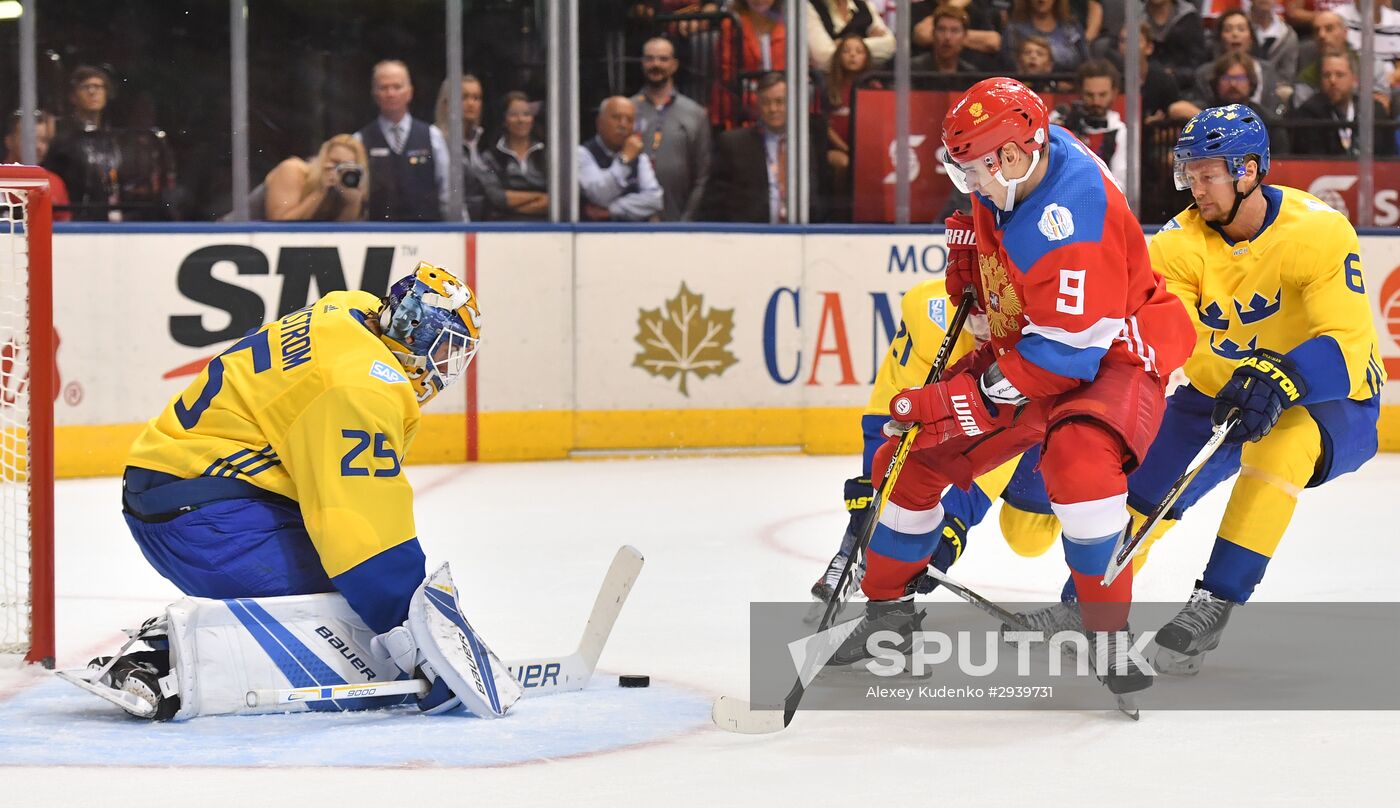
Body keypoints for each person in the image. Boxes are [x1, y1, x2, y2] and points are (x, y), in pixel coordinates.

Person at [832, 77, 1195, 699]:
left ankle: (1105, 632)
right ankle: (887, 613)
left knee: (1079, 465)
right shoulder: (1025, 153)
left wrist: (958, 399)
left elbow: (1063, 362)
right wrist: (977, 253)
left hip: (1109, 354)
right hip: (1035, 340)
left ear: (1010, 156)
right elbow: (1008, 264)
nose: (967, 185)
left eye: (972, 172)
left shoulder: (1073, 224)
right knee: (910, 459)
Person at [108, 262, 490, 718]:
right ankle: (163, 655)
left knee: (365, 598)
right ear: (412, 328)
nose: (445, 367)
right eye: (444, 348)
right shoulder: (360, 385)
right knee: (351, 617)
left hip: (177, 489)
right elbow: (363, 531)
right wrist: (423, 642)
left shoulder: (351, 311)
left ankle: (184, 640)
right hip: (207, 520)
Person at [1122, 105, 1383, 675]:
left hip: (1330, 399)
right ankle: (1088, 601)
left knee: (1280, 444)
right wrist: (1247, 383)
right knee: (1142, 487)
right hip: (1223, 391)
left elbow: (1349, 345)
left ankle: (1215, 599)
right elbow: (1182, 342)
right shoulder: (1172, 246)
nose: (1195, 186)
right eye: (1187, 173)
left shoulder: (1319, 230)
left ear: (1249, 170)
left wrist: (1278, 378)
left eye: (1207, 173)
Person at [809, 277, 1063, 612]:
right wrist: (873, 490)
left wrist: (955, 522)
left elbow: (1001, 443)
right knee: (910, 480)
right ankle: (860, 568)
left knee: (1027, 540)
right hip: (970, 412)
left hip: (1026, 425)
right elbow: (892, 404)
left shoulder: (1038, 330)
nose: (986, 329)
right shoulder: (927, 315)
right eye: (979, 316)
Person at [354, 60, 449, 221]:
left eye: (397, 87)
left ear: (409, 92)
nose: (391, 93)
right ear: (374, 94)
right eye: (384, 87)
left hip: (429, 236)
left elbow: (448, 192)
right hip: (378, 237)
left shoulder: (433, 136)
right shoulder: (359, 140)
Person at [632, 37, 712, 222]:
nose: (655, 64)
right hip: (632, 221)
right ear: (643, 63)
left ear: (674, 65)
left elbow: (703, 176)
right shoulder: (627, 110)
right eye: (650, 59)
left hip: (679, 218)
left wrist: (686, 222)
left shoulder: (695, 113)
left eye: (663, 59)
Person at [43, 65, 120, 221]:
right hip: (74, 222)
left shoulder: (113, 139)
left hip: (112, 220)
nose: (93, 92)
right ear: (73, 96)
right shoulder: (62, 140)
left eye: (98, 87)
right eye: (86, 87)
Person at [1288, 52, 1397, 157]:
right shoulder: (1308, 113)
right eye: (1327, 75)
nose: (1332, 80)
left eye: (1339, 75)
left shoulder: (1373, 111)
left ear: (1354, 79)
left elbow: (1387, 157)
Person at [578, 96, 664, 222]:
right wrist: (624, 160)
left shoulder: (639, 158)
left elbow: (655, 200)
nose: (623, 125)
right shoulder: (582, 154)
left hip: (631, 237)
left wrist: (611, 210)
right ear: (599, 122)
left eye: (629, 120)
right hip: (590, 236)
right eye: (616, 118)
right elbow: (600, 196)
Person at [1191, 10, 1286, 116]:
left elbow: (1273, 110)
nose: (1235, 34)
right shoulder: (1204, 72)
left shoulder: (1267, 70)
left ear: (1251, 38)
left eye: (1241, 29)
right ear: (1220, 38)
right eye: (1228, 30)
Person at [1051, 59, 1127, 188]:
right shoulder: (1061, 123)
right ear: (1080, 92)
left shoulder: (1120, 132)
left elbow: (1120, 184)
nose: (1096, 102)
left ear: (1114, 93)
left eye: (1102, 95)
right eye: (1089, 95)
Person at [262, 134, 369, 221]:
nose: (339, 170)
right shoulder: (293, 169)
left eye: (346, 166)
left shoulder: (344, 185)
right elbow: (279, 222)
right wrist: (320, 191)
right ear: (322, 158)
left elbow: (344, 233)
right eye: (334, 162)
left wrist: (352, 202)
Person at [478, 92, 549, 221]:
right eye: (514, 114)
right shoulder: (490, 157)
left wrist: (511, 205)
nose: (521, 120)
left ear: (532, 119)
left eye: (526, 114)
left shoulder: (547, 155)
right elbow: (497, 198)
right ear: (504, 120)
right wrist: (539, 197)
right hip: (503, 229)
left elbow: (554, 200)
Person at [434, 73, 489, 221]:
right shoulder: (437, 142)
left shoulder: (485, 142)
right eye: (464, 97)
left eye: (476, 98)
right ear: (446, 104)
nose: (471, 104)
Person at [2, 110, 72, 221]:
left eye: (43, 140)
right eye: (30, 140)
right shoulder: (2, 180)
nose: (39, 147)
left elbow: (65, 230)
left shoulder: (54, 182)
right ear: (9, 141)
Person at [807, 0, 897, 73]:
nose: (853, 54)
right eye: (846, 50)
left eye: (859, 51)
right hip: (827, 86)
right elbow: (824, 58)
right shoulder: (809, 6)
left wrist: (843, 45)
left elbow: (890, 45)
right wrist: (866, 42)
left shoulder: (863, 5)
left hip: (865, 82)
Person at [1002, 0, 1088, 73]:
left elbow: (1085, 63)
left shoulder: (1071, 27)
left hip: (1072, 89)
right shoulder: (1014, 30)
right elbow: (1011, 67)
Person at [911, 3, 981, 90]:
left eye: (954, 30)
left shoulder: (970, 76)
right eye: (941, 29)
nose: (947, 37)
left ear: (964, 36)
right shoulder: (914, 70)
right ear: (933, 33)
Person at [1145, 0, 1208, 92]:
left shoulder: (1189, 17)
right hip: (1144, 83)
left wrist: (1175, 74)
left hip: (1186, 87)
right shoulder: (1135, 17)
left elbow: (1197, 61)